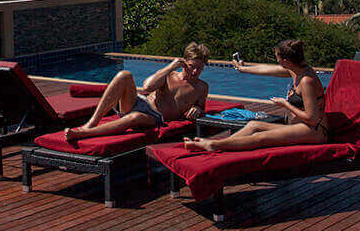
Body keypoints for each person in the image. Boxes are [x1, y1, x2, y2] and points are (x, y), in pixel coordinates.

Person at [185, 39, 326, 152]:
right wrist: (243, 69)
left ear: (286, 61)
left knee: (261, 137)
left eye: (278, 58)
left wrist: (286, 104)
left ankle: (214, 145)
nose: (277, 61)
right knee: (253, 125)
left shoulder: (306, 81)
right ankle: (220, 143)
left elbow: (312, 119)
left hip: (313, 131)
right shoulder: (295, 70)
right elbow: (267, 70)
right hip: (298, 127)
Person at [63, 43, 211, 143]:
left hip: (154, 117)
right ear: (184, 63)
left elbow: (201, 107)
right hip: (139, 102)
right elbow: (147, 87)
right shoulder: (169, 75)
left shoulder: (202, 87)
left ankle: (82, 134)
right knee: (124, 75)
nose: (195, 71)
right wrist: (170, 67)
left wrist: (197, 108)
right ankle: (92, 123)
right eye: (192, 66)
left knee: (135, 117)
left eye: (200, 68)